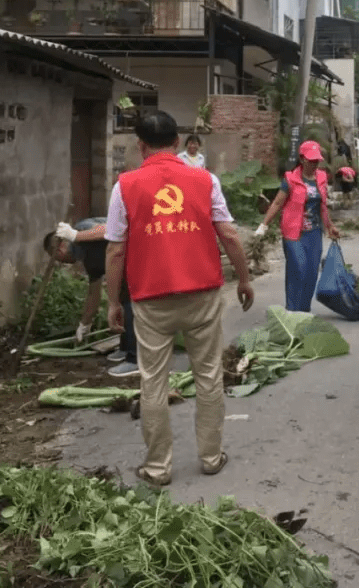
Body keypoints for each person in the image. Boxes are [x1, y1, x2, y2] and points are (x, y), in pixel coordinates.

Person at [104, 111, 255, 487]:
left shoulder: (125, 185)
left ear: (140, 146)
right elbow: (230, 235)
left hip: (151, 300)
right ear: (177, 142)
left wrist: (111, 302)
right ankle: (211, 457)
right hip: (202, 294)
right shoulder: (205, 180)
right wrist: (245, 279)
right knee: (208, 376)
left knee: (153, 381)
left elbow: (115, 252)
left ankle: (158, 468)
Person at [44, 218, 138, 377]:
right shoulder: (87, 258)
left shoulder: (82, 228)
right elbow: (93, 293)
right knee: (122, 304)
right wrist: (84, 324)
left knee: (130, 305)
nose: (63, 263)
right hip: (122, 268)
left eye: (59, 260)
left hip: (136, 258)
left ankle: (134, 359)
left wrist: (75, 235)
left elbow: (108, 229)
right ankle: (125, 349)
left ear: (60, 250)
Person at [255, 140, 341, 311]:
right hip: (293, 233)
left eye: (317, 160)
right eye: (311, 160)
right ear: (302, 159)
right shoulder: (290, 179)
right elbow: (278, 203)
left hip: (314, 232)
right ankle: (292, 310)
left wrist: (330, 226)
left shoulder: (321, 178)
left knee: (311, 273)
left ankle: (303, 311)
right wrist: (263, 225)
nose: (314, 164)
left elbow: (322, 206)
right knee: (298, 268)